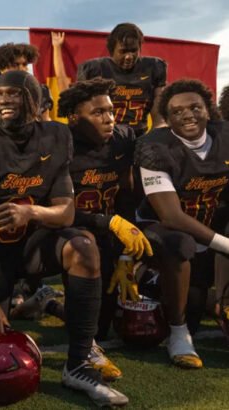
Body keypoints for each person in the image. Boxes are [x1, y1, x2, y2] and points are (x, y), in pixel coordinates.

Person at [0, 70, 128, 407]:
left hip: (36, 245)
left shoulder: (55, 136)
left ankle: (78, 364)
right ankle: (24, 304)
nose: (4, 100)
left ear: (34, 101)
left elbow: (66, 213)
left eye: (14, 94)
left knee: (84, 247)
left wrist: (30, 212)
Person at [57, 78, 153, 380]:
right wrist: (104, 222)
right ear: (74, 117)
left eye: (111, 111)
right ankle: (51, 303)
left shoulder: (122, 138)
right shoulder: (60, 143)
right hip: (71, 231)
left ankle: (50, 303)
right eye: (98, 112)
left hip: (111, 228)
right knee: (86, 321)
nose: (109, 118)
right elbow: (57, 208)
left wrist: (127, 251)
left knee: (101, 325)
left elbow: (126, 193)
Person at [134, 79, 229, 369]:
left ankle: (221, 300)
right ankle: (177, 330)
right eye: (177, 111)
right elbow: (171, 216)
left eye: (195, 107)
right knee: (180, 244)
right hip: (163, 231)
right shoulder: (154, 146)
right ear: (167, 118)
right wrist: (226, 244)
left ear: (208, 110)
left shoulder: (225, 135)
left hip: (208, 227)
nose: (187, 115)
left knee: (197, 305)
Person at [77, 22, 167, 136]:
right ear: (112, 51)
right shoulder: (94, 69)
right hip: (106, 137)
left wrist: (156, 136)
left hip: (140, 136)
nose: (129, 56)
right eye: (123, 51)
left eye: (133, 50)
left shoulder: (154, 67)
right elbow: (81, 111)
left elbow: (159, 117)